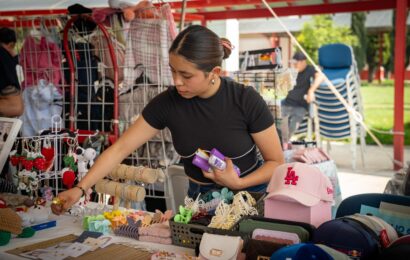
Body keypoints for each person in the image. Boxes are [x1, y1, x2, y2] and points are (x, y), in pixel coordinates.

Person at [51, 25, 284, 215]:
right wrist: (80, 189)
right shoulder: (167, 103)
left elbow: (276, 161)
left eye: (186, 75)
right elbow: (120, 148)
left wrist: (238, 184)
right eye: (173, 71)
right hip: (200, 204)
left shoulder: (245, 99)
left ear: (214, 72)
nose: (177, 82)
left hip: (250, 199)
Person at [280, 51, 323, 141]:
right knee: (278, 127)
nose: (294, 66)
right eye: (293, 63)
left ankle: (282, 147)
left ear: (303, 62)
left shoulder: (310, 69)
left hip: (300, 106)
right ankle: (280, 147)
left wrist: (311, 91)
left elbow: (320, 77)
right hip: (286, 103)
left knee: (291, 128)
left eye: (296, 63)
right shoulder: (292, 71)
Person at [0, 27, 24, 117]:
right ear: (11, 44)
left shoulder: (4, 54)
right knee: (17, 108)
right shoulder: (3, 53)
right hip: (6, 85)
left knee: (17, 108)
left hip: (6, 87)